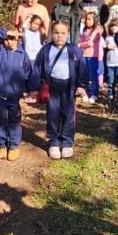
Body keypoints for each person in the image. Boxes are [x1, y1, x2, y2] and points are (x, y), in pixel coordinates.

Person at [29, 21, 89, 160]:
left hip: (69, 87)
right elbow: (37, 69)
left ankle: (67, 142)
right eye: (56, 33)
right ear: (51, 34)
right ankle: (54, 142)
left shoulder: (74, 50)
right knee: (53, 114)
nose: (59, 36)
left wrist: (82, 85)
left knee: (68, 115)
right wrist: (33, 88)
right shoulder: (45, 50)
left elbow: (83, 68)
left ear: (68, 34)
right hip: (52, 87)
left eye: (63, 33)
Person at [0, 26, 33, 161]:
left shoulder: (22, 54)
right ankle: (1, 144)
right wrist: (6, 32)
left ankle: (13, 145)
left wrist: (29, 89)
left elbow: (28, 73)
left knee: (14, 120)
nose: (9, 41)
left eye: (12, 38)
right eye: (6, 38)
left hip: (14, 96)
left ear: (18, 39)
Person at [77, 11, 103, 103]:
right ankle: (86, 93)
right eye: (86, 19)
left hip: (93, 56)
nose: (87, 21)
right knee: (85, 76)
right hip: (84, 55)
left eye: (89, 19)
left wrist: (79, 45)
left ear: (95, 20)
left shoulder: (97, 30)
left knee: (93, 76)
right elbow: (82, 39)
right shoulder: (85, 30)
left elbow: (90, 43)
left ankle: (94, 94)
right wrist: (81, 44)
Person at [103, 18, 118, 105]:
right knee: (111, 82)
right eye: (112, 26)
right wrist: (108, 46)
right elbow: (105, 45)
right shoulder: (108, 37)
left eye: (116, 26)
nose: (113, 28)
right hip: (110, 63)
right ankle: (111, 98)